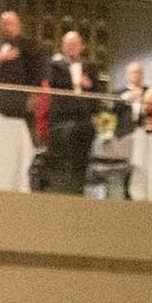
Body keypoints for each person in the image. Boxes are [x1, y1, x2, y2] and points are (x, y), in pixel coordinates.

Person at [43, 30, 102, 195]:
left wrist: (95, 114)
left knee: (82, 157)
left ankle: (78, 190)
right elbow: (53, 83)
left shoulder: (91, 66)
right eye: (68, 44)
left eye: (74, 44)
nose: (71, 47)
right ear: (62, 46)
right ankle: (59, 191)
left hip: (84, 119)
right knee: (60, 156)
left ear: (81, 47)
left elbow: (97, 92)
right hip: (61, 117)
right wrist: (76, 81)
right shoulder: (54, 64)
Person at [0, 10, 45, 119]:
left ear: (18, 26)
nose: (7, 27)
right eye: (4, 24)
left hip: (21, 101)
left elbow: (39, 72)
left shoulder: (30, 46)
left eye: (10, 24)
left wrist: (34, 95)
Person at [114, 60, 146, 137]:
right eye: (133, 72)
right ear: (127, 75)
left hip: (144, 133)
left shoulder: (149, 91)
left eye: (138, 72)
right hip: (123, 132)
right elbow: (114, 110)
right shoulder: (118, 93)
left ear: (142, 74)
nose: (136, 75)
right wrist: (126, 98)